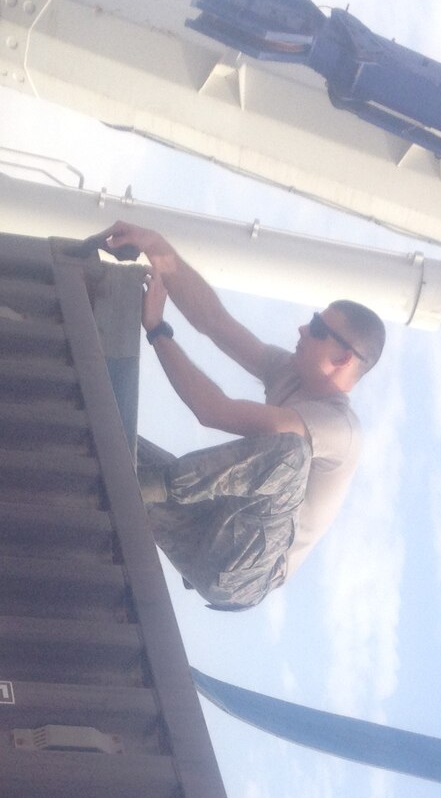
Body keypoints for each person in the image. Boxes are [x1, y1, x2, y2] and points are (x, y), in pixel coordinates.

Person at [92, 220, 386, 610]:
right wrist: (155, 245)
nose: (302, 327)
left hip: (243, 573)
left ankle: (151, 485)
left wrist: (157, 330)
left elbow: (213, 411)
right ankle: (138, 481)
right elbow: (215, 322)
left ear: (343, 357)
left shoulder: (339, 429)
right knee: (105, 438)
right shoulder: (288, 371)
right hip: (202, 525)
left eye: (317, 327)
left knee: (291, 452)